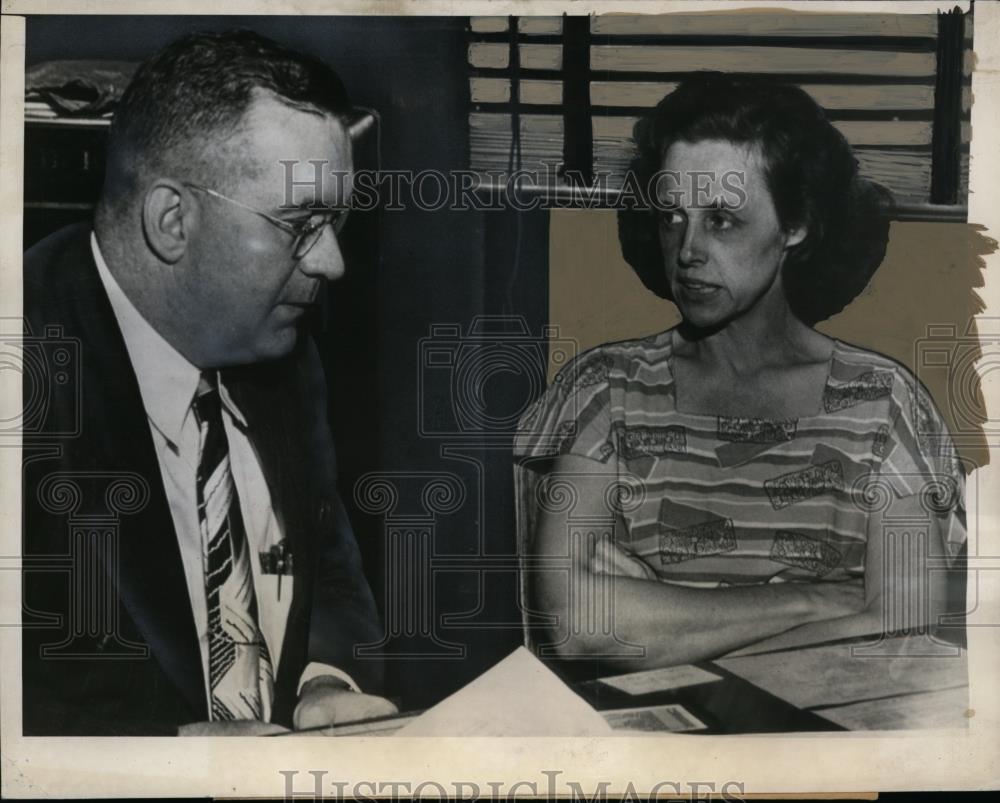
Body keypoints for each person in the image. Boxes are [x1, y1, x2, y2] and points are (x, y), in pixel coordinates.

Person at [514, 74, 967, 673]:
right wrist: (820, 601)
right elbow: (579, 629)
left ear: (795, 224)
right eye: (673, 217)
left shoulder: (883, 404)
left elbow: (904, 633)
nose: (688, 251)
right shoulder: (606, 389)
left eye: (722, 220)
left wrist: (664, 617)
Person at [22, 30, 395, 735]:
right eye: (300, 222)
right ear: (172, 220)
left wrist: (321, 681)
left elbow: (326, 565)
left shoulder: (283, 352)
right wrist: (166, 763)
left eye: (337, 218)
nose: (333, 261)